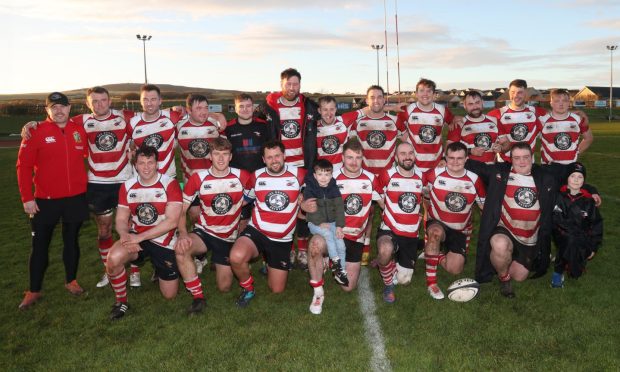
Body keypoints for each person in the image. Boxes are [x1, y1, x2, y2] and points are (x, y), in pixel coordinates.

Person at [21, 86, 135, 289]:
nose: (99, 105)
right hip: (97, 185)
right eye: (95, 102)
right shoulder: (81, 122)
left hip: (125, 181)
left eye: (103, 100)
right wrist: (34, 123)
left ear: (110, 101)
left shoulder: (124, 116)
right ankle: (109, 270)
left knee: (132, 227)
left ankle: (135, 272)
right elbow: (56, 123)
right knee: (104, 231)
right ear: (87, 105)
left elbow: (150, 118)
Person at [16, 92, 89, 309]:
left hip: (75, 198)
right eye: (53, 107)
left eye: (63, 106)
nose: (59, 111)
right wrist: (27, 198)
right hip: (44, 201)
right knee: (39, 246)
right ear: (47, 110)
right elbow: (23, 167)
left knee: (71, 242)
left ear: (70, 108)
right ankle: (33, 290)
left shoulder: (79, 130)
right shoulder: (35, 131)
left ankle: (71, 281)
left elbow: (85, 154)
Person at [466, 142, 557, 298]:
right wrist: (468, 151)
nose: (522, 162)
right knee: (500, 245)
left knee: (520, 277)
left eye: (525, 157)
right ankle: (504, 278)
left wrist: (591, 192)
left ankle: (506, 260)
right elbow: (464, 161)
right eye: (517, 158)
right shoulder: (499, 172)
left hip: (529, 237)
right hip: (505, 229)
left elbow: (572, 179)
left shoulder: (545, 177)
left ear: (532, 157)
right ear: (511, 159)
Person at [303, 138, 383, 314]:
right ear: (342, 157)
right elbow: (306, 201)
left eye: (358, 157)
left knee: (348, 287)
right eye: (349, 157)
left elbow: (383, 205)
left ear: (363, 158)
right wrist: (303, 206)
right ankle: (318, 292)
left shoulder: (371, 179)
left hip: (354, 237)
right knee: (315, 245)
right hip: (331, 231)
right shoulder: (329, 176)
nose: (354, 162)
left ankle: (331, 261)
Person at [105, 145, 183, 319]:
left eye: (150, 162)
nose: (146, 167)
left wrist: (138, 237)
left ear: (157, 164)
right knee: (113, 258)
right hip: (137, 238)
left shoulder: (170, 184)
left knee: (169, 295)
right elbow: (120, 219)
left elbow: (172, 221)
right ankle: (121, 301)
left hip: (164, 240)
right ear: (135, 165)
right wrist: (125, 235)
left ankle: (161, 266)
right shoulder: (128, 186)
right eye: (142, 163)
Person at [174, 138, 250, 314]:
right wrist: (184, 233)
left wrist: (240, 204)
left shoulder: (242, 176)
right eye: (216, 154)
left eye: (225, 154)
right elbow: (181, 210)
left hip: (228, 237)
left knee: (224, 287)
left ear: (231, 156)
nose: (221, 159)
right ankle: (198, 297)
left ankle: (224, 260)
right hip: (204, 232)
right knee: (181, 249)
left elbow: (257, 195)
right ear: (210, 156)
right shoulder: (197, 178)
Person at [254, 68, 319, 270]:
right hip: (278, 166)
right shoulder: (268, 106)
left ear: (300, 85)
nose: (292, 88)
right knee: (283, 205)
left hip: (302, 165)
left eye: (295, 84)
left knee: (303, 208)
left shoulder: (308, 105)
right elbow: (250, 121)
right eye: (288, 84)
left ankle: (301, 250)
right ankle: (285, 249)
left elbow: (326, 117)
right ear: (281, 84)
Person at [229, 140, 305, 308]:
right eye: (269, 157)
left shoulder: (299, 175)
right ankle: (248, 288)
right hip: (257, 231)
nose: (274, 160)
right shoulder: (256, 176)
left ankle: (270, 263)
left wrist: (305, 198)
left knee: (277, 289)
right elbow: (246, 198)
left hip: (282, 239)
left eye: (277, 156)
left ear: (284, 156)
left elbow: (314, 192)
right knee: (236, 256)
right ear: (263, 159)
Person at [348, 85, 406, 264]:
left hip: (387, 176)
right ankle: (364, 248)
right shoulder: (359, 121)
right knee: (368, 212)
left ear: (384, 99)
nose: (376, 100)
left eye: (380, 97)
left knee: (391, 211)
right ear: (367, 100)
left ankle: (395, 247)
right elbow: (345, 138)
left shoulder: (394, 120)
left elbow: (406, 141)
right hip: (365, 175)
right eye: (372, 97)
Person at [422, 142, 486, 300]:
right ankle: (431, 283)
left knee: (455, 269)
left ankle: (433, 252)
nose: (455, 162)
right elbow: (422, 194)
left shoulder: (475, 180)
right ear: (445, 157)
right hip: (438, 222)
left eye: (459, 158)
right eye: (451, 158)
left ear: (467, 158)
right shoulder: (433, 175)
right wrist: (425, 214)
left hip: (459, 228)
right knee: (435, 234)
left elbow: (483, 206)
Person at [375, 142, 424, 303]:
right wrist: (386, 208)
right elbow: (376, 193)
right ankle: (388, 283)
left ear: (415, 156)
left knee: (404, 280)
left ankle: (402, 253)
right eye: (402, 154)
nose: (407, 157)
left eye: (410, 153)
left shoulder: (423, 176)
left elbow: (430, 197)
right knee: (385, 250)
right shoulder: (387, 175)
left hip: (410, 233)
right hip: (389, 229)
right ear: (396, 158)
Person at [225, 93, 273, 233]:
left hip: (261, 180)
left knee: (264, 218)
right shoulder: (228, 128)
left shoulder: (264, 126)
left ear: (253, 107)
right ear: (235, 108)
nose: (245, 109)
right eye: (241, 106)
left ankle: (265, 251)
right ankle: (240, 248)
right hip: (240, 182)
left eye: (248, 106)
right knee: (243, 220)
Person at [551, 162, 603, 288]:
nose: (576, 180)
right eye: (572, 176)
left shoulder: (589, 201)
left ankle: (574, 261)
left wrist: (593, 247)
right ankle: (558, 272)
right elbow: (558, 221)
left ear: (584, 180)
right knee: (570, 241)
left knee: (575, 274)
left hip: (581, 238)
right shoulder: (558, 196)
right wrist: (578, 236)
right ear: (567, 178)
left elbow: (596, 224)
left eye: (580, 177)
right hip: (562, 235)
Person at [303, 159, 348, 286]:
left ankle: (341, 271)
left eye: (327, 174)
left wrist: (339, 226)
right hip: (314, 223)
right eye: (320, 174)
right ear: (314, 175)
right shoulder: (310, 189)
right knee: (327, 235)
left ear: (331, 175)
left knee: (340, 243)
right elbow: (311, 209)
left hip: (332, 222)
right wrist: (319, 222)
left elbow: (339, 209)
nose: (324, 178)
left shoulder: (333, 188)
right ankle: (335, 262)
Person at [396, 78, 456, 173]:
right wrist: (404, 137)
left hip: (437, 163)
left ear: (434, 94)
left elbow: (455, 123)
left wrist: (446, 155)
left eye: (429, 91)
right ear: (416, 94)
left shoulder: (442, 110)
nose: (425, 94)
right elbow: (396, 124)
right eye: (421, 91)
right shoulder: (408, 109)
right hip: (414, 163)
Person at [539, 88, 594, 180]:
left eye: (564, 100)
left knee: (568, 193)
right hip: (549, 168)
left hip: (571, 167)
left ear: (569, 102)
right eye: (557, 101)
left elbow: (589, 138)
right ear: (551, 103)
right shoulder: (542, 120)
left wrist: (576, 152)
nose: (561, 104)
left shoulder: (578, 119)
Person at [487, 79, 547, 162]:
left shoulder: (538, 113)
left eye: (520, 92)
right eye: (512, 92)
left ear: (526, 93)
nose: (515, 95)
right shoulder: (495, 115)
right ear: (509, 93)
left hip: (528, 164)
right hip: (505, 164)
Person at [447, 90, 502, 164]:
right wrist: (470, 151)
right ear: (465, 106)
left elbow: (506, 143)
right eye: (470, 104)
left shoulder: (495, 121)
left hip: (491, 168)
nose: (475, 107)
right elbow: (449, 149)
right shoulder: (458, 124)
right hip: (469, 170)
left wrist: (501, 148)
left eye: (477, 102)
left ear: (483, 102)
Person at [315, 95, 355, 169]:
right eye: (325, 109)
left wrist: (383, 107)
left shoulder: (343, 120)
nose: (329, 113)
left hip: (341, 171)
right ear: (319, 111)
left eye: (331, 109)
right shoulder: (313, 127)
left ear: (336, 109)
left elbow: (365, 111)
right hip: (322, 174)